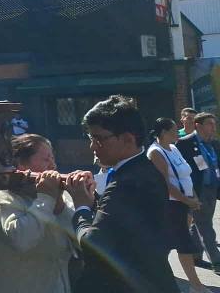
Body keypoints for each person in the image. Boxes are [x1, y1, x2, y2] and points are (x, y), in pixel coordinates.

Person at [65, 95, 177, 292]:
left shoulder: (128, 182)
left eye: (98, 138)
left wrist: (81, 205)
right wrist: (94, 201)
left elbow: (93, 244)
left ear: (128, 138)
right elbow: (121, 220)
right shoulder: (143, 170)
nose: (92, 146)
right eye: (90, 138)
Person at [0, 134, 75, 293]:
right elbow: (22, 239)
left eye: (53, 158)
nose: (53, 166)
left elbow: (78, 242)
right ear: (21, 164)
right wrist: (45, 199)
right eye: (46, 159)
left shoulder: (59, 196)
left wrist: (61, 207)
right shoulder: (2, 197)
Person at [148, 118, 207, 292]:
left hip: (185, 203)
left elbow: (185, 175)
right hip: (172, 205)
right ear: (164, 132)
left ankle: (151, 270)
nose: (178, 132)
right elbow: (165, 184)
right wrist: (186, 200)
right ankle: (196, 285)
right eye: (174, 130)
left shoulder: (173, 148)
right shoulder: (156, 152)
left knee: (166, 241)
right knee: (184, 243)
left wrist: (193, 198)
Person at [177, 112, 220, 272]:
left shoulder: (214, 144)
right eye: (210, 124)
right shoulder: (185, 143)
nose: (213, 128)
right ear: (198, 125)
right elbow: (180, 171)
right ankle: (217, 261)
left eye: (214, 124)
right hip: (196, 191)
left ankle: (195, 255)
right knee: (205, 226)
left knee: (200, 223)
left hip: (212, 190)